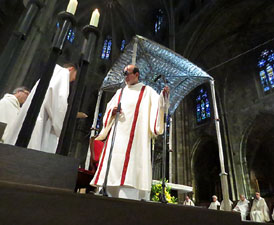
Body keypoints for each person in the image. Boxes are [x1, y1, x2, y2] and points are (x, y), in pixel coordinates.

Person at [90, 64, 169, 200]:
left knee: (132, 169)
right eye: (124, 73)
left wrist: (163, 96)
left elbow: (159, 106)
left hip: (136, 139)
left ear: (137, 74)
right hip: (118, 137)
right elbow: (109, 108)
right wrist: (112, 111)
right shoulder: (120, 92)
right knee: (114, 164)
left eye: (127, 73)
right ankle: (108, 191)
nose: (125, 76)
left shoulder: (147, 91)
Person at [4, 63, 77, 153]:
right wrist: (63, 128)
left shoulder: (51, 73)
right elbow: (59, 104)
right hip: (40, 122)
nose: (73, 79)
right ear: (71, 69)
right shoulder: (63, 73)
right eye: (75, 76)